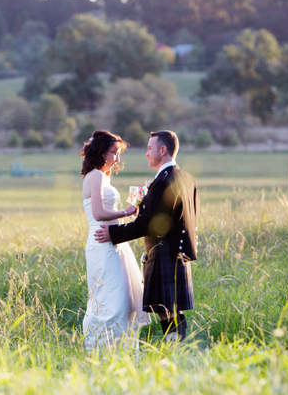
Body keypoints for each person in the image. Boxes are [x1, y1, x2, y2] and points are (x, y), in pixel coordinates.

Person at [94, 130, 199, 341]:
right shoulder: (186, 177)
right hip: (177, 251)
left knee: (166, 309)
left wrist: (113, 233)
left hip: (163, 251)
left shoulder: (163, 181)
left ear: (163, 149)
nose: (146, 154)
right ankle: (180, 348)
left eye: (149, 148)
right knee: (171, 309)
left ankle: (176, 348)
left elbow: (148, 225)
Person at [81, 130, 150, 351]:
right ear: (101, 152)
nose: (117, 159)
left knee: (121, 296)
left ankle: (120, 348)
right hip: (103, 243)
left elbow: (109, 211)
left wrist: (133, 209)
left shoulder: (101, 176)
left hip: (112, 242)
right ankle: (106, 349)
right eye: (114, 153)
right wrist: (124, 211)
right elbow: (99, 213)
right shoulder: (97, 176)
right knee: (112, 299)